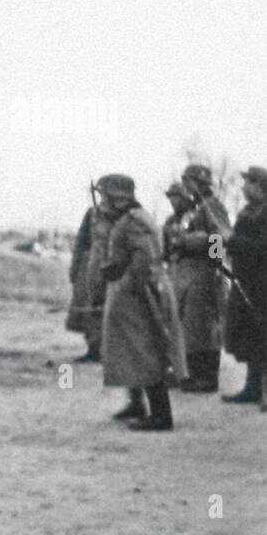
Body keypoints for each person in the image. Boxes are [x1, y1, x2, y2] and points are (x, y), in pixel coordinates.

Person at [98, 174, 187, 430]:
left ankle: (161, 415)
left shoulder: (135, 221)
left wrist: (128, 283)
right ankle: (137, 402)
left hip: (141, 292)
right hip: (132, 290)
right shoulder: (125, 219)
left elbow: (143, 259)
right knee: (130, 349)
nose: (102, 200)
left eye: (105, 194)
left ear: (117, 197)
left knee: (146, 349)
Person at [163, 166, 230, 393]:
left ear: (200, 182)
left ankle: (207, 378)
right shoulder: (196, 208)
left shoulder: (212, 206)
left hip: (204, 271)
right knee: (190, 325)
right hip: (188, 273)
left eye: (188, 180)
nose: (185, 184)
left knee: (203, 326)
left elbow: (220, 237)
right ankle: (191, 373)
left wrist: (212, 262)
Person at [222, 166, 267, 407]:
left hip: (262, 282)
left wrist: (232, 240)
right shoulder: (246, 212)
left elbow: (261, 247)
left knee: (264, 334)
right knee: (249, 335)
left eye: (247, 183)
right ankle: (252, 387)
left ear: (259, 185)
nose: (243, 188)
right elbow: (221, 250)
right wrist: (216, 244)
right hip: (244, 281)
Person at [67, 195, 109, 362]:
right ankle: (93, 349)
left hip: (112, 266)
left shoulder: (124, 216)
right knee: (89, 309)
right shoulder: (92, 213)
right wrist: (75, 269)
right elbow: (81, 241)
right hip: (90, 265)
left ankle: (109, 351)